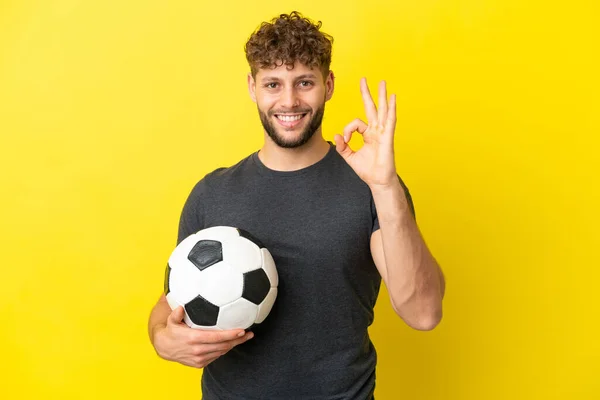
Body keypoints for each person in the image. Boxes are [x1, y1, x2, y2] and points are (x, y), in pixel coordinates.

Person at [148, 11, 445, 400]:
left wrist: (385, 186)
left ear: (329, 85)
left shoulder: (370, 186)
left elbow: (423, 313)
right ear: (253, 87)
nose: (289, 101)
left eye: (304, 82)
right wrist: (160, 337)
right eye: (273, 84)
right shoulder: (211, 193)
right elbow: (171, 297)